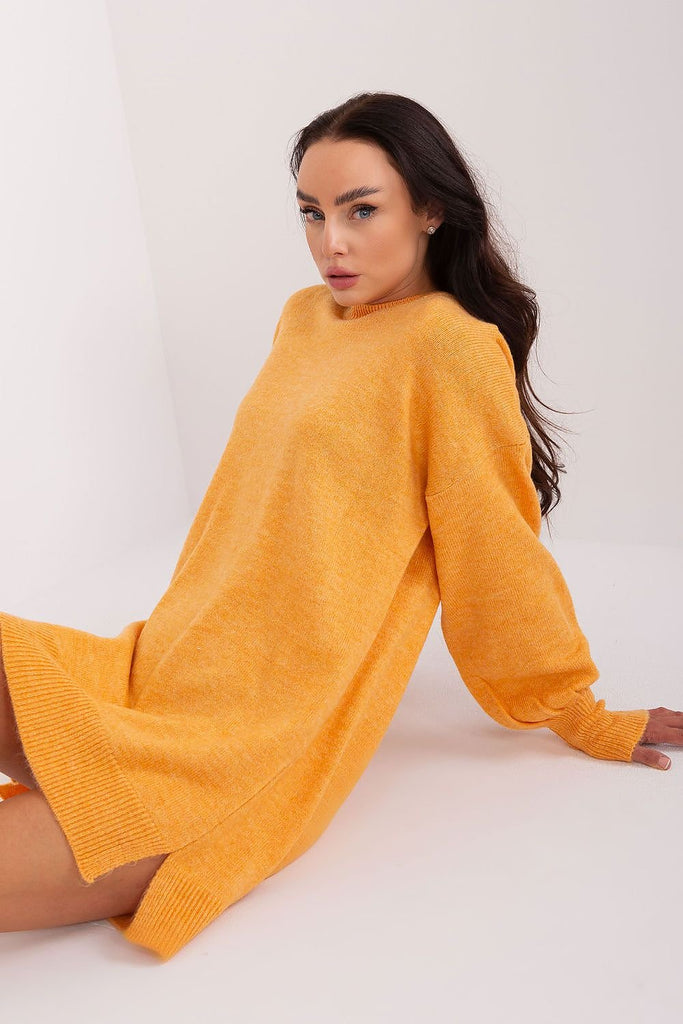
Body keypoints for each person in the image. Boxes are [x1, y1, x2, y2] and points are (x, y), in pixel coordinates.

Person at [0, 90, 680, 962]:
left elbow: (495, 555)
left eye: (361, 210)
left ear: (429, 209)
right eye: (312, 214)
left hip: (244, 743)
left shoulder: (450, 348)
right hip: (161, 666)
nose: (332, 243)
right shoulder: (305, 318)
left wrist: (573, 711)